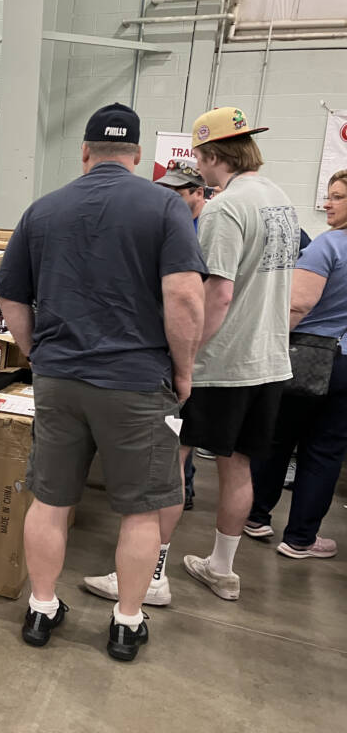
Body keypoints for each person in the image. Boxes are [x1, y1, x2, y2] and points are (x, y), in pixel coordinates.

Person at [0, 103, 206, 661]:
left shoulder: (43, 210)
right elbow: (185, 296)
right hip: (136, 381)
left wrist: (38, 351)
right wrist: (184, 370)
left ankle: (41, 609)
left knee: (50, 499)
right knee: (140, 508)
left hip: (61, 378)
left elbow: (11, 295)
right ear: (136, 156)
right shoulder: (165, 206)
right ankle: (126, 622)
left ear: (84, 152)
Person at [174, 106, 298, 601]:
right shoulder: (279, 199)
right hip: (269, 360)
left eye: (199, 158)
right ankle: (222, 569)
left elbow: (218, 294)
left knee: (172, 460)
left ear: (210, 155)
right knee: (239, 465)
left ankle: (150, 573)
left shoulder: (225, 207)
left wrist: (186, 355)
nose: (198, 169)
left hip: (221, 364)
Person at [244, 168, 347, 559]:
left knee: (277, 439)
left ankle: (256, 516)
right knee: (323, 452)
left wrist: (268, 347)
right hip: (345, 366)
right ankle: (302, 538)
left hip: (305, 355)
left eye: (337, 197)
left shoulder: (328, 247)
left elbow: (297, 304)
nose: (327, 203)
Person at [154, 159, 207, 510]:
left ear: (198, 192)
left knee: (182, 432)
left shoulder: (206, 229)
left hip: (197, 346)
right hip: (172, 341)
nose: (169, 197)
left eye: (177, 191)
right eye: (166, 190)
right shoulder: (173, 225)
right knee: (174, 430)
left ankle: (180, 491)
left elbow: (195, 296)